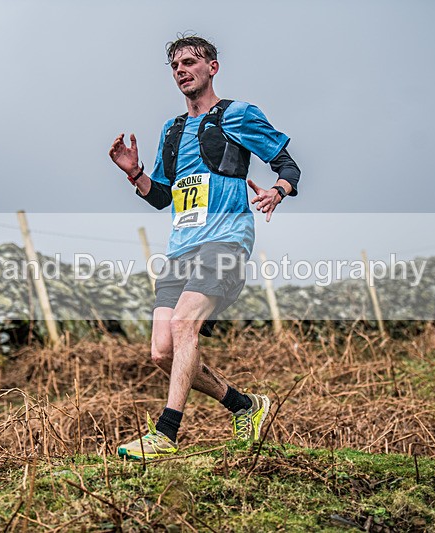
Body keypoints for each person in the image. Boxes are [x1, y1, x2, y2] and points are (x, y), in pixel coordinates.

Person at [108, 34, 301, 460]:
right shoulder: (172, 130)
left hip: (226, 238)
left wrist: (278, 190)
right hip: (181, 248)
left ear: (212, 67)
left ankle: (165, 435)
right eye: (175, 64)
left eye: (191, 61)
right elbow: (162, 196)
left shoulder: (238, 114)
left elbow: (287, 163)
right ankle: (245, 406)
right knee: (162, 351)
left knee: (183, 327)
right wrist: (135, 174)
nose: (181, 69)